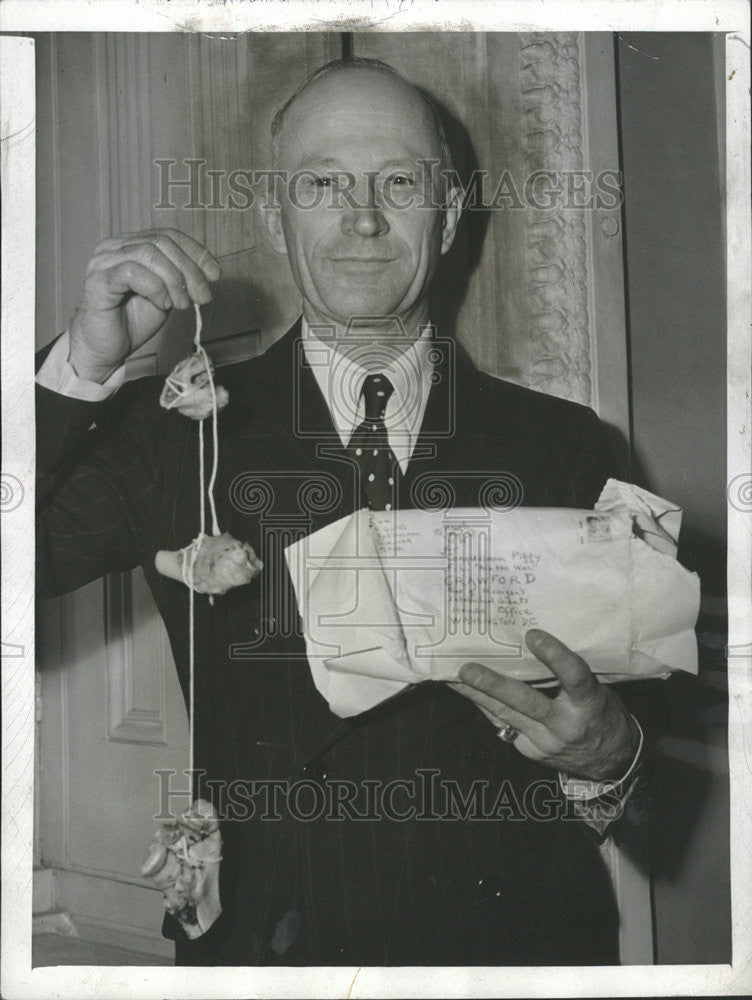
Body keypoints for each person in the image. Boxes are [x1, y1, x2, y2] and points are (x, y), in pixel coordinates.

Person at [36, 57, 649, 966]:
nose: (362, 216)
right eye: (321, 183)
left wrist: (608, 757)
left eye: (399, 182)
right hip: (266, 947)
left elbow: (633, 719)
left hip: (511, 946)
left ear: (445, 220)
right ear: (274, 220)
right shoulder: (171, 430)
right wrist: (79, 368)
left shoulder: (567, 445)